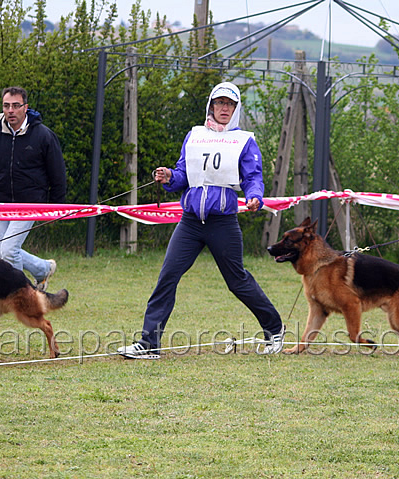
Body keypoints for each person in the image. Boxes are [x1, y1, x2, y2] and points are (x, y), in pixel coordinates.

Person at [118, 81, 285, 359]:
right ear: (211, 105)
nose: (224, 108)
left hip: (223, 223)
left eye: (230, 104)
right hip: (191, 222)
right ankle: (149, 344)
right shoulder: (194, 136)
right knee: (168, 276)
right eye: (219, 103)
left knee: (237, 281)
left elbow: (253, 177)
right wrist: (170, 176)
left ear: (236, 109)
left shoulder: (244, 140)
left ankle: (274, 328)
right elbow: (185, 174)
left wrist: (255, 196)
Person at [0, 86, 66, 291]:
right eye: (6, 106)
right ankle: (42, 269)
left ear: (25, 107)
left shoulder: (43, 135)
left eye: (15, 105)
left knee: (9, 249)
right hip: (0, 202)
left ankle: (21, 295)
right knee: (4, 251)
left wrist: (56, 206)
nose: (10, 110)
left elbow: (57, 172)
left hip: (30, 203)